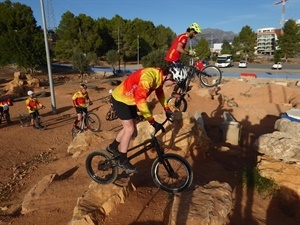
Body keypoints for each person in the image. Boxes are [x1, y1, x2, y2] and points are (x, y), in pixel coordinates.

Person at [106, 66, 187, 174]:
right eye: (174, 82)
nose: (174, 84)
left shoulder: (158, 76)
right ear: (168, 76)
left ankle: (113, 147)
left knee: (131, 127)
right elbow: (141, 102)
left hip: (130, 100)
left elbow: (160, 93)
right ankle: (122, 160)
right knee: (129, 130)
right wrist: (152, 122)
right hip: (121, 99)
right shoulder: (148, 79)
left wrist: (167, 109)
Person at [165, 22, 201, 97]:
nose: (195, 35)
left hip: (175, 59)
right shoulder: (184, 37)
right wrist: (188, 53)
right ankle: (175, 90)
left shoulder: (184, 37)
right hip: (172, 59)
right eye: (195, 33)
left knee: (185, 74)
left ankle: (183, 89)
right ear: (191, 30)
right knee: (182, 75)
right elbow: (179, 48)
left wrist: (190, 54)